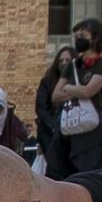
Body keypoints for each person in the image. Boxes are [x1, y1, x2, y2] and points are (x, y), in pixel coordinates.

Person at [51, 20, 102, 175]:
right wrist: (78, 90)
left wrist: (68, 88)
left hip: (93, 133)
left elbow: (89, 91)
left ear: (95, 38)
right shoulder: (73, 65)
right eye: (76, 35)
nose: (78, 38)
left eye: (83, 35)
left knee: (93, 175)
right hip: (70, 130)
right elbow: (56, 95)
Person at [35, 46, 76, 177]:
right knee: (55, 170)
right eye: (61, 60)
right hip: (50, 133)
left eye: (67, 60)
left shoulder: (78, 82)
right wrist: (53, 126)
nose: (64, 63)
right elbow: (40, 107)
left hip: (73, 132)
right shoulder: (47, 82)